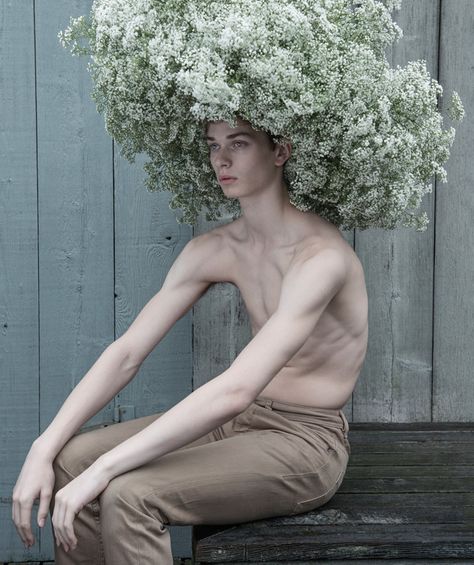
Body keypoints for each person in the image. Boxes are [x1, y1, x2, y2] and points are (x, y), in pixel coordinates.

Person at [12, 116, 368, 564]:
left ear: (280, 151)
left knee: (129, 493)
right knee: (70, 461)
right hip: (238, 425)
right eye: (213, 145)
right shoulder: (217, 248)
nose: (221, 158)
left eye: (238, 143)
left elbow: (237, 389)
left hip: (304, 441)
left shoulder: (322, 259)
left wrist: (107, 468)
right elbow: (126, 353)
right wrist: (42, 446)